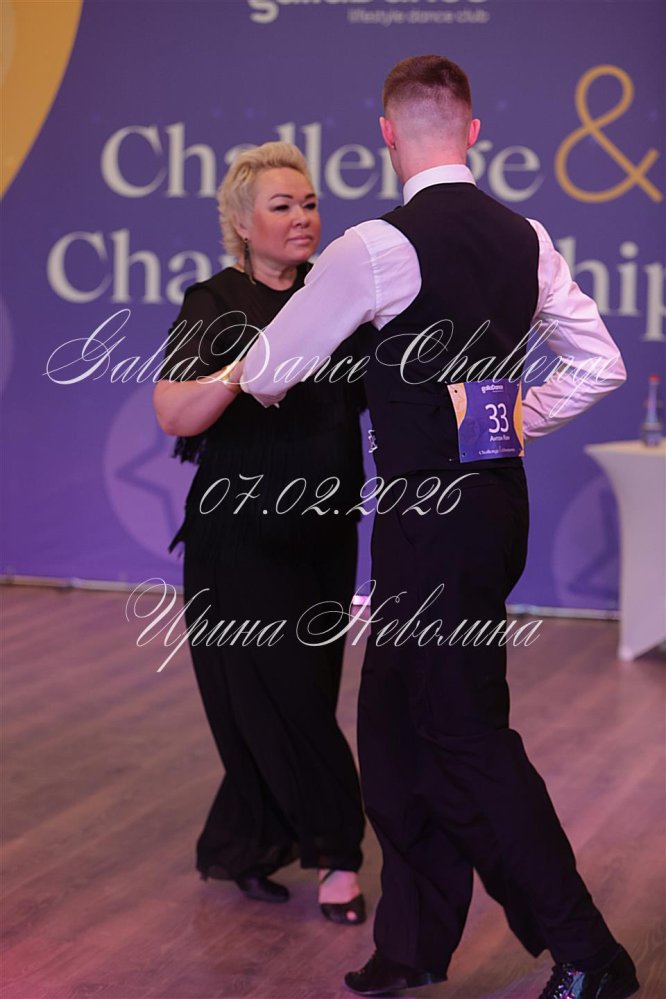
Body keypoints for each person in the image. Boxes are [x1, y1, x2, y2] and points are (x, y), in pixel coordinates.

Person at [239, 58, 639, 998]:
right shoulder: (525, 235)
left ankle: (589, 954)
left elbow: (265, 371)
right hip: (490, 507)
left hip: (430, 518)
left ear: (385, 134)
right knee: (390, 725)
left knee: (464, 734)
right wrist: (513, 414)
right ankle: (413, 943)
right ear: (473, 131)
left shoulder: (376, 247)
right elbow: (601, 364)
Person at [153, 141, 368, 925]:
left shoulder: (341, 303)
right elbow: (173, 412)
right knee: (280, 701)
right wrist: (243, 370)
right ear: (243, 224)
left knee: (297, 695)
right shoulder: (214, 302)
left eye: (309, 203)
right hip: (236, 539)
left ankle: (249, 838)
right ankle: (340, 856)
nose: (303, 217)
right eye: (283, 206)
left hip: (325, 535)